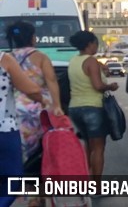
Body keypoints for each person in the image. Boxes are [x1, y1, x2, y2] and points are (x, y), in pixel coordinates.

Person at [6, 21, 64, 162]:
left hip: (12, 110)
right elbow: (51, 81)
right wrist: (57, 106)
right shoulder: (41, 57)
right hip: (39, 109)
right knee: (41, 152)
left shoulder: (7, 59)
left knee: (16, 154)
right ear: (33, 38)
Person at [67, 31, 118, 182]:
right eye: (96, 43)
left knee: (88, 146)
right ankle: (97, 186)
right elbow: (97, 86)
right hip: (92, 107)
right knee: (98, 148)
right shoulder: (91, 61)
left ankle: (84, 182)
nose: (97, 46)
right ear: (90, 44)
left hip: (74, 108)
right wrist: (110, 86)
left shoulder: (74, 60)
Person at [0, 51, 46, 207]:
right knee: (12, 178)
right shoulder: (3, 59)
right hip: (3, 130)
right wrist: (43, 100)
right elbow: (32, 90)